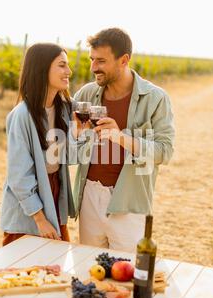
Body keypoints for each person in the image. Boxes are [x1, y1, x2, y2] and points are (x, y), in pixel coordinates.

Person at [72, 28, 175, 252]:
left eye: (101, 61)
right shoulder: (86, 95)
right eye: (91, 59)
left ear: (124, 60)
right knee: (89, 271)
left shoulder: (156, 98)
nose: (93, 67)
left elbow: (164, 151)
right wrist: (75, 132)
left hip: (129, 200)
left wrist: (121, 138)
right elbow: (66, 136)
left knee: (126, 274)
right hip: (90, 195)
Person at [0, 43, 75, 246]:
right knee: (19, 272)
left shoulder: (66, 109)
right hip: (29, 204)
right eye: (62, 65)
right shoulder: (22, 115)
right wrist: (40, 220)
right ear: (42, 69)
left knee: (54, 269)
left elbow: (73, 155)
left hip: (55, 192)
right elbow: (18, 176)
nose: (69, 71)